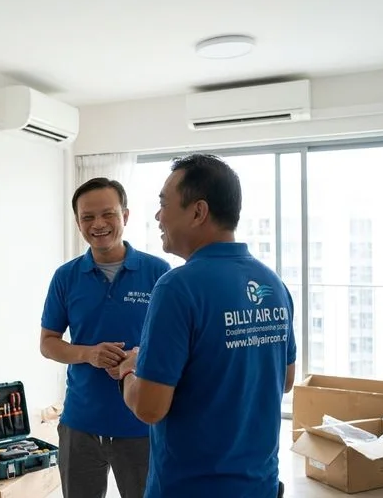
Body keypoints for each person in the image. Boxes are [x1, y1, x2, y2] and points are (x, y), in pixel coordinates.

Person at [118, 154, 296, 498]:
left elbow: (150, 408)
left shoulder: (177, 287)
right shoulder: (273, 284)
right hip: (260, 485)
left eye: (164, 204)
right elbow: (285, 380)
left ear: (198, 212)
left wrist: (129, 371)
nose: (158, 217)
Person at [39, 177, 172, 498]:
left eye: (108, 214)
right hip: (80, 424)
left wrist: (136, 359)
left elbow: (172, 345)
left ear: (125, 216)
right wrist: (89, 354)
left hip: (142, 423)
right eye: (87, 217)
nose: (98, 224)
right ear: (77, 222)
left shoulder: (159, 272)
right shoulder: (66, 277)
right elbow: (48, 343)